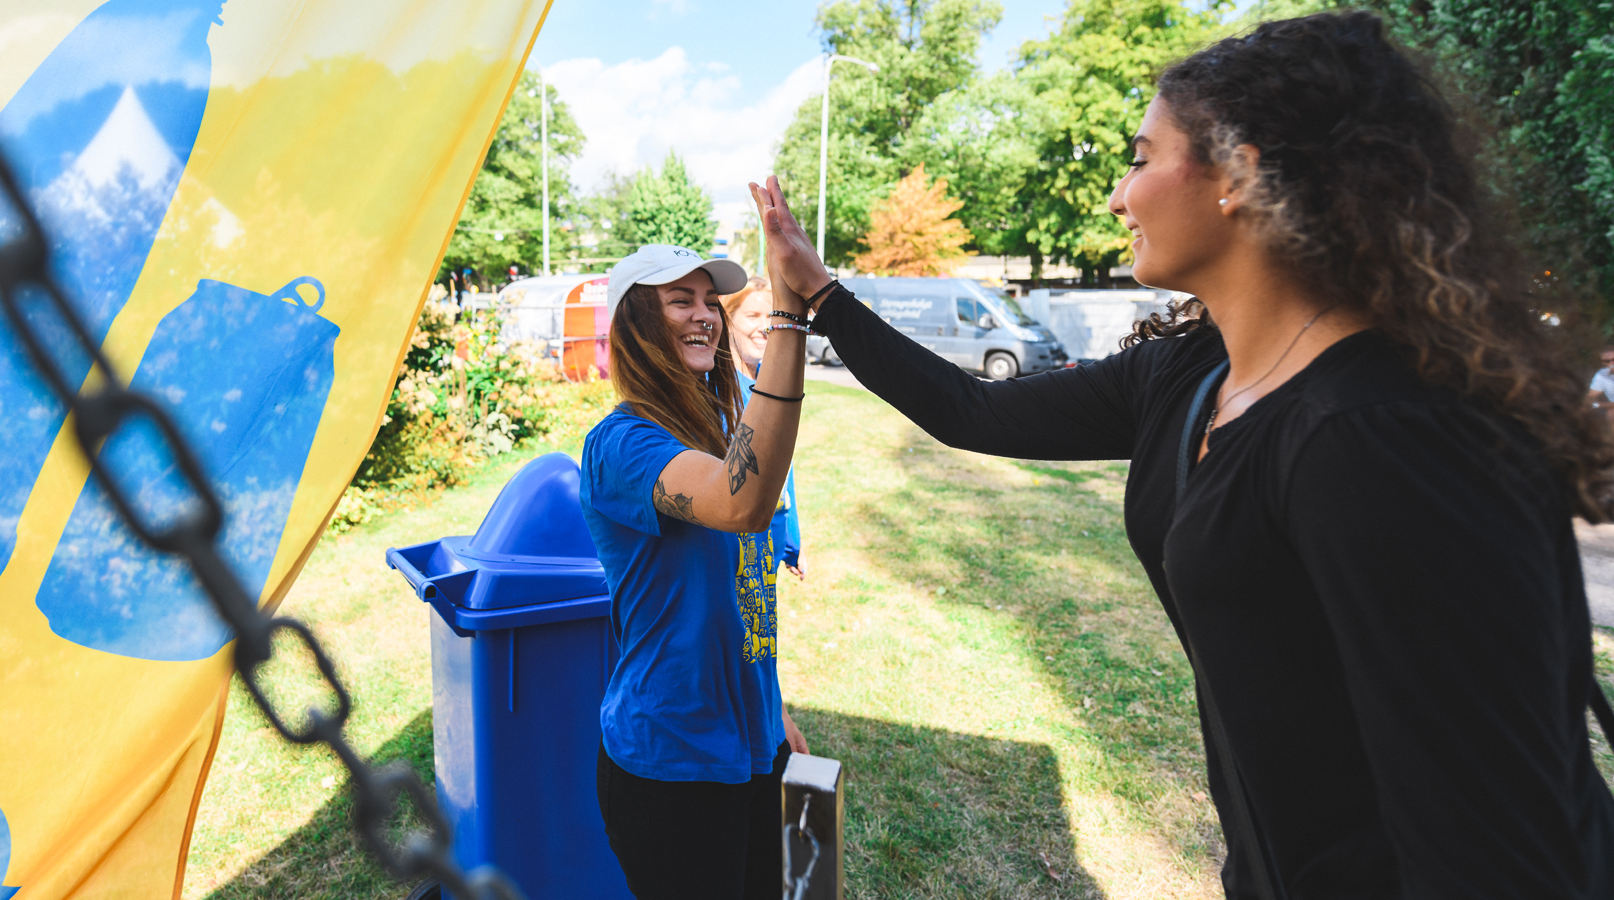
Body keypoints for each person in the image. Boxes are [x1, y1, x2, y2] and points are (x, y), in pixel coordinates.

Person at [772, 12, 1614, 898]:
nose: (1116, 197)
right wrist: (821, 291)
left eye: (1140, 158)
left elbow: (1497, 851)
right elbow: (970, 408)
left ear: (1240, 172)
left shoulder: (1384, 436)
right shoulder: (1188, 374)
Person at [580, 184, 812, 899]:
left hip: (749, 747)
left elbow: (738, 600)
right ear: (635, 324)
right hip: (669, 767)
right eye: (681, 300)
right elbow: (740, 504)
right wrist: (791, 316)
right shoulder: (621, 445)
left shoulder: (719, 431)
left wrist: (770, 707)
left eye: (710, 301)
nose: (706, 315)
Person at [722, 275, 805, 579]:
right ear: (727, 320)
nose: (764, 326)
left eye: (771, 316)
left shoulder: (769, 385)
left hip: (770, 543)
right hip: (732, 550)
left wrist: (793, 544)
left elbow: (784, 471)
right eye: (752, 316)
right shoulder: (715, 390)